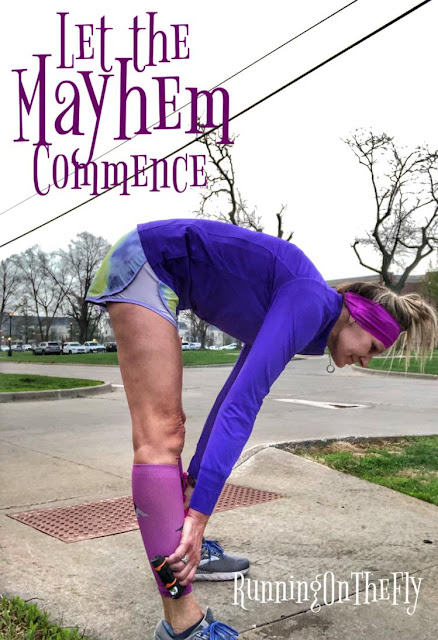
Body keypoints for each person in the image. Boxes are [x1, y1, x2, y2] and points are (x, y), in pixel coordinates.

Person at [86, 218, 437, 639]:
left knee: (172, 431)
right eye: (373, 348)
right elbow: (242, 405)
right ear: (357, 318)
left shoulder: (315, 325)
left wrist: (197, 482)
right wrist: (199, 514)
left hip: (158, 269)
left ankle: (181, 547)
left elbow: (234, 393)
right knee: (159, 435)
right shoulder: (311, 302)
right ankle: (182, 622)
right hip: (146, 261)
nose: (366, 360)